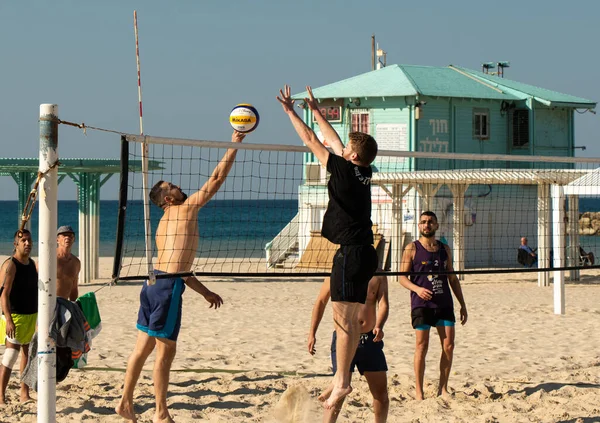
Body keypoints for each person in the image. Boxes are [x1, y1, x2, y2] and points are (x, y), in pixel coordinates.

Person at [116, 130, 246, 423]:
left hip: (153, 283)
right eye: (171, 186)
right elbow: (215, 180)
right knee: (165, 352)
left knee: (142, 349)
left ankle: (125, 402)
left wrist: (205, 292)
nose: (177, 186)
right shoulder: (185, 209)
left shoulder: (164, 224)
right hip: (167, 288)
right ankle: (161, 413)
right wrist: (233, 144)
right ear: (166, 198)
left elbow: (180, 267)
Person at [277, 85, 379, 409]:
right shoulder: (364, 171)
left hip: (350, 252)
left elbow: (312, 141)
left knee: (344, 322)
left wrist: (292, 113)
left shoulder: (345, 171)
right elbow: (333, 140)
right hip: (364, 252)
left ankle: (343, 382)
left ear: (351, 156)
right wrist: (316, 109)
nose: (340, 147)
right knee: (347, 319)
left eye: (346, 148)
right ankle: (340, 380)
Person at [399, 211, 468, 401]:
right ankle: (419, 392)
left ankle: (443, 388)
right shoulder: (411, 248)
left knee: (449, 346)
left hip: (444, 303)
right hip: (421, 304)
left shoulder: (444, 249)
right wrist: (417, 289)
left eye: (430, 222)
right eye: (423, 222)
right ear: (419, 226)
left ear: (436, 226)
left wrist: (462, 304)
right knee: (422, 346)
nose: (426, 225)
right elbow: (401, 278)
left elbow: (452, 278)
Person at [308, 275, 389, 423]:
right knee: (339, 391)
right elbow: (321, 301)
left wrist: (379, 325)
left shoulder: (378, 274)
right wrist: (312, 333)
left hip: (370, 339)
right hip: (343, 339)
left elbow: (383, 304)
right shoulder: (338, 271)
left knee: (381, 394)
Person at [0, 229, 38, 404]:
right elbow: (3, 295)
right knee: (10, 355)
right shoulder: (10, 265)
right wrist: (8, 319)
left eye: (29, 240)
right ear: (15, 244)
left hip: (31, 315)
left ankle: (24, 394)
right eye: (23, 241)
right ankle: (0, 395)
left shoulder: (31, 264)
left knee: (27, 355)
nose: (27, 243)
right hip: (14, 316)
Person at [56, 225, 80, 301]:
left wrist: (74, 305)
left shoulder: (76, 262)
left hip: (65, 305)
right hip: (48, 305)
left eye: (70, 235)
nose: (67, 237)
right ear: (57, 239)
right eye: (64, 235)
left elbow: (74, 288)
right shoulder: (49, 258)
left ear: (74, 239)